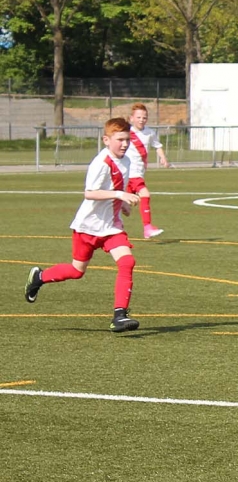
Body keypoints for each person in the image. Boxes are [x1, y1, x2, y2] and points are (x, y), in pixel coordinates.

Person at [24, 117, 143, 333]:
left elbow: (116, 186)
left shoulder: (125, 160)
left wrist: (123, 204)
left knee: (127, 262)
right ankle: (39, 277)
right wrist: (120, 195)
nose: (125, 144)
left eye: (127, 139)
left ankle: (119, 315)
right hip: (88, 226)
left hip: (111, 226)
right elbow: (89, 193)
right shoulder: (101, 163)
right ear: (106, 140)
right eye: (120, 140)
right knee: (77, 271)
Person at [125, 102, 170, 238]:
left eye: (144, 117)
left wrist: (163, 158)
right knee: (145, 194)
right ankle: (147, 227)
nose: (141, 120)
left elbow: (157, 146)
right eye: (138, 117)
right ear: (131, 118)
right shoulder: (127, 133)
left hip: (139, 172)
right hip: (130, 173)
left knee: (124, 205)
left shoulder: (149, 132)